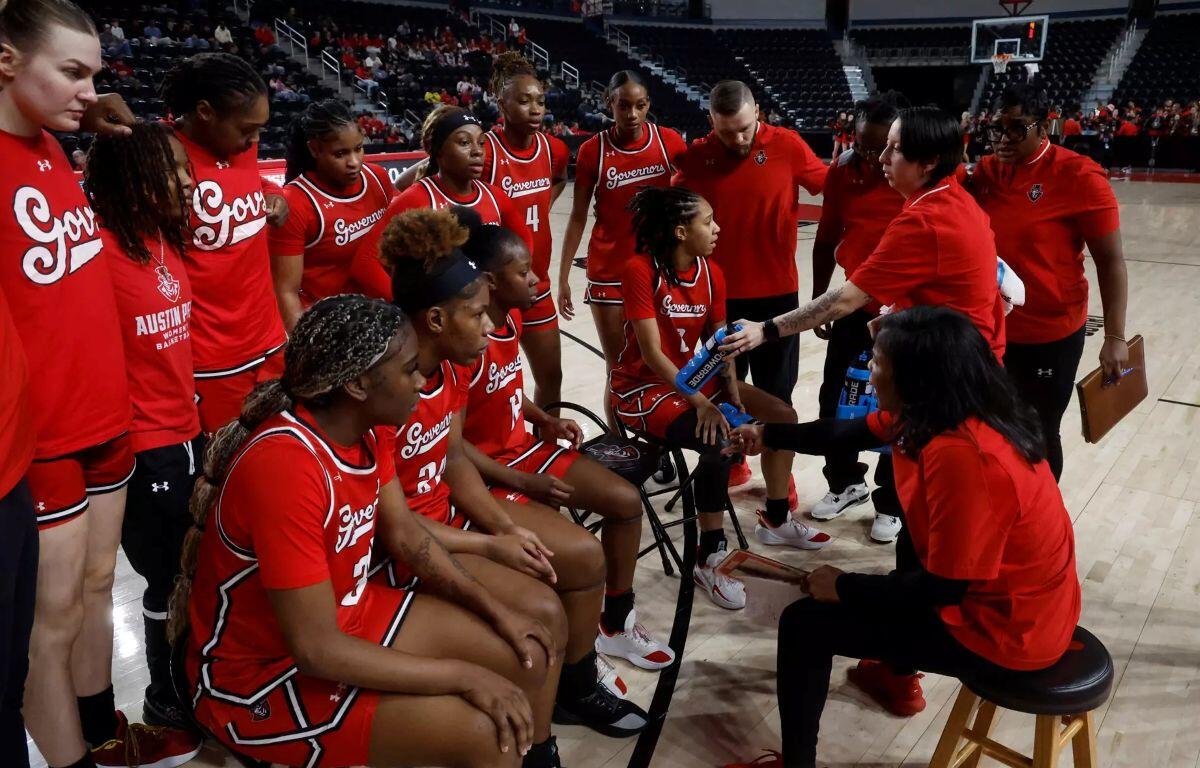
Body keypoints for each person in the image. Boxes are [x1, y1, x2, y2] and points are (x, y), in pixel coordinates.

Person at [173, 295, 570, 768]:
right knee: (486, 735)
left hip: (348, 617)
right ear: (359, 384)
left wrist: (495, 610)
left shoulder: (367, 428)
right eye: (408, 370)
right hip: (259, 674)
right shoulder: (284, 467)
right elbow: (317, 649)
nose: (421, 381)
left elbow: (405, 535)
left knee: (523, 652)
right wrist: (461, 675)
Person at [722, 306, 1081, 768]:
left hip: (1007, 633)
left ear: (913, 378)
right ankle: (895, 674)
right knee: (905, 553)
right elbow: (846, 431)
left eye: (876, 364)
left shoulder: (966, 457)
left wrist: (844, 586)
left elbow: (945, 587)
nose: (868, 376)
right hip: (1035, 608)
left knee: (805, 623)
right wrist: (766, 433)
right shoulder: (946, 410)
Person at [0, 2, 203, 766]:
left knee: (92, 593)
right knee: (44, 632)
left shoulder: (54, 148)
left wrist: (96, 113)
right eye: (73, 71)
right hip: (41, 436)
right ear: (6, 61)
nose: (90, 91)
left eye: (96, 74)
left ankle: (103, 733)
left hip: (108, 419)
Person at [379, 207, 650, 738]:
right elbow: (395, 522)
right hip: (411, 538)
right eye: (477, 314)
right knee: (543, 606)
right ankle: (539, 743)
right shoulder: (388, 390)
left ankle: (575, 687)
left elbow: (452, 458)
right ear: (436, 319)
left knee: (583, 553)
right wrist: (496, 534)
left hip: (450, 508)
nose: (489, 325)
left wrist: (506, 529)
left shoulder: (448, 365)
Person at [458, 217, 673, 670]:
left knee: (625, 500)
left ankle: (615, 623)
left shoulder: (509, 320)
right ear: (491, 283)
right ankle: (571, 659)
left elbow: (506, 391)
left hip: (523, 449)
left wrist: (543, 419)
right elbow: (449, 447)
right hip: (486, 472)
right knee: (578, 553)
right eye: (524, 273)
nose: (537, 278)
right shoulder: (461, 344)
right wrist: (521, 480)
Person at [611, 187, 828, 611]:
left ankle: (778, 516)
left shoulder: (712, 272)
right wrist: (703, 404)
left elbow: (722, 345)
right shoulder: (640, 270)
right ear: (679, 231)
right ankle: (709, 555)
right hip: (643, 388)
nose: (717, 228)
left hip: (695, 380)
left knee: (782, 415)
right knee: (718, 441)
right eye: (707, 221)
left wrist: (730, 395)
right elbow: (653, 354)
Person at [83, 123, 208, 742]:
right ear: (131, 181)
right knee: (165, 575)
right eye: (173, 171)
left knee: (193, 566)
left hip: (189, 428)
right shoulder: (97, 251)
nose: (189, 181)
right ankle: (165, 695)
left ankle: (192, 681)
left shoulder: (162, 237)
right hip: (143, 447)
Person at [674, 80, 825, 501]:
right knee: (725, 389)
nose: (738, 139)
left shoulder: (789, 146)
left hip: (777, 298)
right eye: (727, 132)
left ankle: (780, 476)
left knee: (778, 394)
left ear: (758, 111)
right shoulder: (697, 157)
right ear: (711, 122)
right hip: (716, 298)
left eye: (745, 128)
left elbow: (833, 187)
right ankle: (734, 461)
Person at [967, 85, 1128, 481]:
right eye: (996, 129)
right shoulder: (985, 172)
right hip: (991, 330)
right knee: (987, 431)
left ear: (1046, 127)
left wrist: (1115, 337)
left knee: (1037, 435)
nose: (1004, 139)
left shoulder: (1079, 175)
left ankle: (1039, 524)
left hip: (1050, 335)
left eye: (1017, 128)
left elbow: (1111, 262)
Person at [164, 52, 291, 434]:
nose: (255, 140)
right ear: (205, 112)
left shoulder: (239, 146)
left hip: (268, 338)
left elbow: (248, 182)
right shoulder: (163, 156)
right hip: (212, 356)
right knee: (226, 469)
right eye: (247, 129)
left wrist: (275, 194)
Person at [556, 69, 687, 428]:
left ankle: (659, 445)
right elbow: (578, 216)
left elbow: (692, 202)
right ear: (608, 103)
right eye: (623, 105)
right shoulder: (591, 151)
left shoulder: (670, 142)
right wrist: (564, 274)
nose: (631, 114)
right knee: (619, 370)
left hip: (657, 270)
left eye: (640, 105)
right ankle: (620, 449)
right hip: (608, 272)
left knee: (660, 363)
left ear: (648, 106)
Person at [808, 92, 906, 543]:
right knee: (836, 399)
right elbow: (826, 236)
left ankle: (891, 501)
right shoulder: (842, 172)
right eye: (863, 144)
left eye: (879, 145)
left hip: (905, 313)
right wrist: (817, 300)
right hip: (854, 304)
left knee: (899, 407)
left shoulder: (915, 174)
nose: (871, 155)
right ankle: (845, 482)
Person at [351, 105, 533, 300]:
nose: (477, 151)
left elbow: (525, 244)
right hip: (445, 321)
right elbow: (365, 263)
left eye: (481, 143)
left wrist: (507, 287)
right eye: (464, 142)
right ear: (438, 150)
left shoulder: (496, 196)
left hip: (489, 316)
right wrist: (407, 309)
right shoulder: (417, 198)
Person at [481, 52, 569, 410]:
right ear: (502, 104)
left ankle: (548, 446)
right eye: (524, 101)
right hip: (490, 292)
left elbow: (560, 178)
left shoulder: (554, 150)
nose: (535, 109)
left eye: (540, 101)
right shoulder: (483, 150)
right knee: (488, 387)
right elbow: (430, 174)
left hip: (537, 284)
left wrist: (542, 205)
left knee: (551, 377)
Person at [270, 99, 394, 330]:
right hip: (328, 325)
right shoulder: (296, 202)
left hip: (378, 314)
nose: (354, 162)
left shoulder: (377, 177)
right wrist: (304, 347)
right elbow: (285, 292)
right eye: (340, 154)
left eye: (359, 148)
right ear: (315, 149)